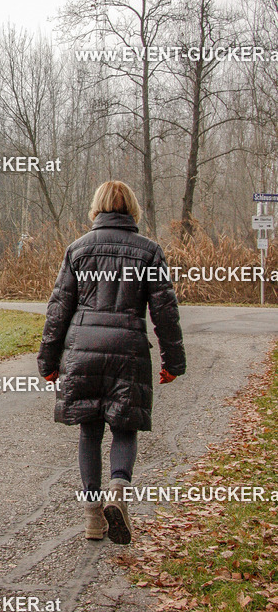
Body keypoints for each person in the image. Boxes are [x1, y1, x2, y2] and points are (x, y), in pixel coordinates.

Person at [37, 180, 185, 544]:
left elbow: (59, 309)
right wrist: (173, 361)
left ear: (97, 207)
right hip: (129, 349)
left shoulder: (78, 250)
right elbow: (165, 311)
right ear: (132, 209)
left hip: (83, 348)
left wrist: (48, 360)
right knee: (124, 426)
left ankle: (92, 517)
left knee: (89, 430)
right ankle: (118, 491)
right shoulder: (149, 252)